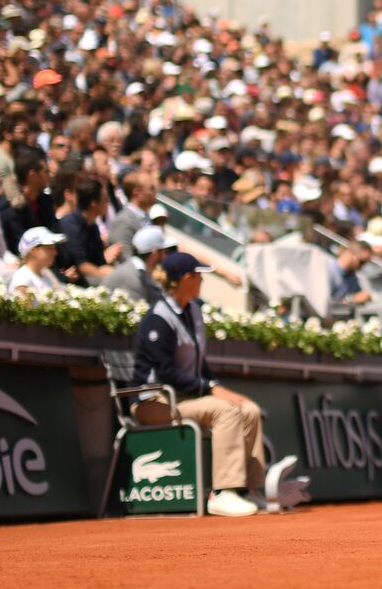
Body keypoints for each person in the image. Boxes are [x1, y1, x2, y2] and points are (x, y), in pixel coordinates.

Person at [132, 252, 277, 517]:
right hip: (152, 402)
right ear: (186, 279)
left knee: (249, 410)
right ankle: (223, 492)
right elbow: (166, 373)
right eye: (199, 275)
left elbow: (199, 364)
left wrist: (219, 387)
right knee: (226, 411)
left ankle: (251, 490)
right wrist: (211, 389)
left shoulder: (194, 309)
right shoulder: (158, 318)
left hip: (185, 398)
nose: (202, 281)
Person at [58, 177, 120, 285]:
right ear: (94, 204)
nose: (108, 204)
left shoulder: (93, 226)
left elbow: (100, 262)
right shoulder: (70, 224)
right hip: (76, 281)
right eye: (105, 200)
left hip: (92, 276)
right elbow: (82, 266)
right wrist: (110, 277)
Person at [105, 225, 177, 305]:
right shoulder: (133, 277)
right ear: (154, 253)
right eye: (164, 252)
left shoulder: (139, 272)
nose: (165, 256)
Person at [107, 171, 157, 262]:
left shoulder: (147, 217)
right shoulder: (123, 222)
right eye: (151, 188)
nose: (155, 192)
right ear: (137, 194)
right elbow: (125, 260)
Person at [8, 227, 66, 296]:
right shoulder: (22, 280)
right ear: (34, 251)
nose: (55, 252)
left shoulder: (46, 273)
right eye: (49, 248)